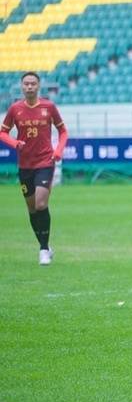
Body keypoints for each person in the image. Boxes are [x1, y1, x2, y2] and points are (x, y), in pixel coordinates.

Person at [0, 72, 68, 265]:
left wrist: (58, 151)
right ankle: (45, 246)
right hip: (25, 165)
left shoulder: (49, 107)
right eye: (26, 84)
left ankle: (43, 250)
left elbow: (63, 131)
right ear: (22, 86)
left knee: (40, 204)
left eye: (33, 84)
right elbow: (3, 132)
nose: (29, 87)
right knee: (31, 208)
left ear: (38, 86)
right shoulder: (15, 109)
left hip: (45, 162)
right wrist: (15, 143)